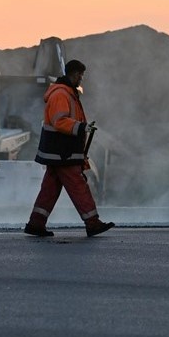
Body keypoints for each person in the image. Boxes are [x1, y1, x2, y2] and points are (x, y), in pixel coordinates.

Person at [24, 59, 114, 238]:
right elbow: (59, 121)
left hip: (59, 152)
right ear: (74, 74)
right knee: (78, 185)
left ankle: (36, 223)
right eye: (80, 75)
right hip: (62, 152)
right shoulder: (61, 95)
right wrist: (82, 128)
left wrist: (82, 128)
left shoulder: (67, 93)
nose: (82, 78)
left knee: (50, 189)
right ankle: (92, 222)